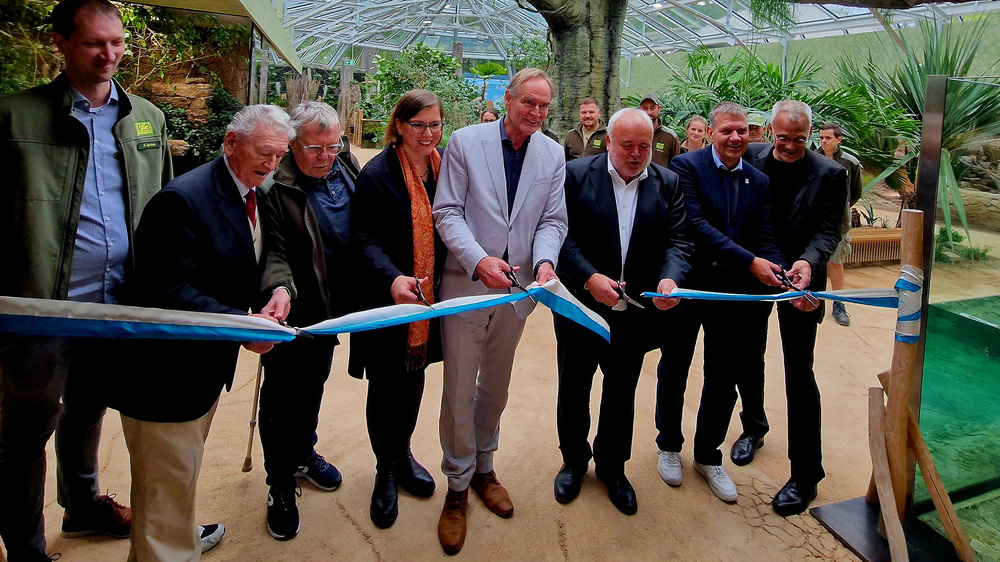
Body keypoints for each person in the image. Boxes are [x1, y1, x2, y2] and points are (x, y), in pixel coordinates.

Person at [0, 0, 172, 558]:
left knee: (89, 407)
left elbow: (163, 205)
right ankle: (25, 545)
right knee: (27, 432)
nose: (110, 54)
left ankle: (81, 505)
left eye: (118, 43)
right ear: (62, 43)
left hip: (116, 302)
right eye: (96, 43)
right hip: (40, 308)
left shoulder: (145, 116)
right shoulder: (15, 117)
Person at [111, 105, 292, 560]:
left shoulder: (250, 191)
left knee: (172, 485)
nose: (272, 164)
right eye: (264, 152)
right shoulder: (183, 199)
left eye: (280, 155)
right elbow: (163, 288)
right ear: (231, 142)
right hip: (164, 376)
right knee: (163, 491)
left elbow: (244, 260)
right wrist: (240, 325)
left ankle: (173, 540)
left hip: (198, 371)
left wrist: (273, 292)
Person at [432, 68, 568, 555]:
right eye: (528, 103)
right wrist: (477, 260)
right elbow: (447, 211)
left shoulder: (553, 153)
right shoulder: (467, 142)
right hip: (467, 286)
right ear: (508, 100)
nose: (535, 112)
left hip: (519, 291)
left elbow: (552, 220)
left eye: (543, 106)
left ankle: (485, 468)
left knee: (497, 384)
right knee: (458, 386)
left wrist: (547, 260)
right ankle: (456, 485)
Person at [553, 108, 692, 515]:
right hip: (582, 305)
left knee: (621, 390)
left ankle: (613, 467)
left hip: (635, 311)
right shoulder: (576, 175)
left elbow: (679, 242)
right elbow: (561, 236)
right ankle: (574, 462)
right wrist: (589, 277)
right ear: (608, 141)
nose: (635, 154)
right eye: (627, 145)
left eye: (644, 147)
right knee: (574, 386)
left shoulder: (668, 182)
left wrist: (670, 279)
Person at [654, 102, 784, 504]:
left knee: (724, 373)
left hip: (733, 295)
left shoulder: (758, 180)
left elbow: (764, 234)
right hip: (690, 286)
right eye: (727, 130)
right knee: (674, 366)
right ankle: (669, 446)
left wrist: (779, 269)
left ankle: (708, 455)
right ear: (710, 133)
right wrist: (751, 261)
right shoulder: (686, 168)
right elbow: (694, 224)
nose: (735, 138)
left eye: (742, 131)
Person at [256, 101, 362, 540]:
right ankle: (279, 483)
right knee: (282, 394)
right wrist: (279, 291)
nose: (326, 155)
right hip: (296, 306)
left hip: (335, 306)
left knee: (315, 380)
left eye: (333, 145)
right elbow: (274, 252)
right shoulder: (274, 185)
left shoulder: (345, 164)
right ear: (292, 146)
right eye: (315, 148)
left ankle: (304, 453)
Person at [744, 100, 847, 516]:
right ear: (770, 131)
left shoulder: (830, 172)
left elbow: (828, 230)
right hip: (756, 274)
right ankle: (753, 428)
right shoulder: (750, 156)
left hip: (803, 282)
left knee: (799, 372)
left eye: (799, 140)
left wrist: (808, 262)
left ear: (810, 136)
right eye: (782, 138)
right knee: (747, 357)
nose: (789, 147)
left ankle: (806, 474)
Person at [350, 89, 446, 529]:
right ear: (400, 126)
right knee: (386, 385)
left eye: (435, 124)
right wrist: (392, 278)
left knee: (414, 380)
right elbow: (364, 239)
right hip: (388, 299)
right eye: (419, 125)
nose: (428, 134)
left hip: (427, 302)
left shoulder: (444, 168)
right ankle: (384, 471)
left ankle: (403, 454)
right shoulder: (378, 173)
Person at [817, 122, 863, 326]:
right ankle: (812, 299)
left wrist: (841, 210)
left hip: (837, 223)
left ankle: (839, 304)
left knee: (836, 262)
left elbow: (855, 192)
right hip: (813, 220)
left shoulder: (849, 162)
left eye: (828, 138)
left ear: (838, 139)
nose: (824, 141)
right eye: (821, 138)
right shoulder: (812, 157)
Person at [638, 94, 680, 167]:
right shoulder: (632, 134)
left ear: (659, 109)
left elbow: (676, 167)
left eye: (652, 108)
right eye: (645, 108)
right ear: (640, 110)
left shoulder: (670, 137)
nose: (649, 112)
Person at [563, 97, 608, 161]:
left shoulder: (607, 135)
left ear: (599, 113)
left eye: (591, 112)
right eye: (584, 112)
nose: (587, 116)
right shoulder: (571, 135)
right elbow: (564, 161)